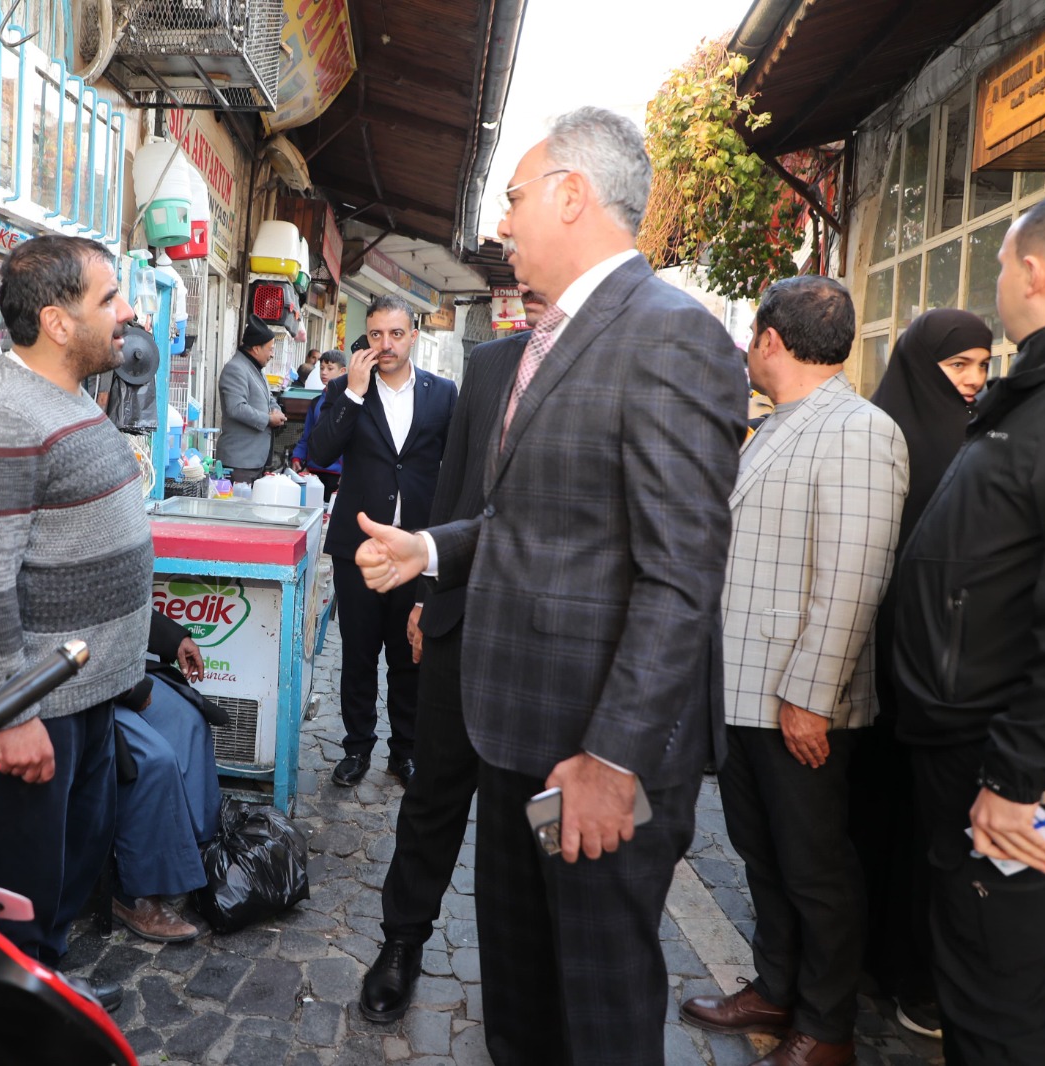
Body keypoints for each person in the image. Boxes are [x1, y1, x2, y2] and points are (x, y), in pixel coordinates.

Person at [351, 108, 746, 1066]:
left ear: (574, 195)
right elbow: (539, 522)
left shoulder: (669, 335)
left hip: (590, 763)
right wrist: (430, 552)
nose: (504, 223)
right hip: (519, 737)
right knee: (524, 1007)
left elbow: (680, 573)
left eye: (517, 198)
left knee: (596, 1014)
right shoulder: (558, 341)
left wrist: (614, 759)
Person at [679, 277, 908, 1066]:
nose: (748, 347)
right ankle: (775, 986)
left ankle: (827, 1027)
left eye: (752, 334)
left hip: (797, 704)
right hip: (745, 694)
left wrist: (809, 697)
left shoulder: (858, 429)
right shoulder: (781, 424)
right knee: (764, 857)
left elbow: (854, 578)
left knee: (816, 872)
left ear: (771, 339)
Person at [891, 185, 1045, 1066]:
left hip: (1004, 768)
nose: (994, 279)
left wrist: (1017, 775)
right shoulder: (1034, 391)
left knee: (996, 1002)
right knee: (974, 981)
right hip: (970, 745)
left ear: (1033, 273)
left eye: (999, 263)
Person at [0, 235, 148, 1009]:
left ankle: (48, 993)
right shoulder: (1, 414)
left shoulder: (65, 395)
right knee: (19, 882)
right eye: (109, 299)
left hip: (84, 689)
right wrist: (12, 712)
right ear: (58, 323)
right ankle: (9, 1018)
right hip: (35, 701)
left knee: (67, 862)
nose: (126, 313)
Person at [359, 284, 562, 1022]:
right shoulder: (489, 365)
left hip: (551, 648)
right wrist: (425, 596)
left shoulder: (616, 359)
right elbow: (454, 495)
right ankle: (401, 943)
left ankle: (539, 969)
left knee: (534, 817)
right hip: (462, 622)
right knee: (433, 797)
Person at [855, 308, 992, 1039]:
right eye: (958, 366)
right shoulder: (882, 437)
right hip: (872, 662)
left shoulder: (980, 444)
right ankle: (874, 961)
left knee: (920, 830)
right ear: (918, 364)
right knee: (873, 816)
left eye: (982, 365)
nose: (973, 380)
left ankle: (910, 968)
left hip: (936, 676)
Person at [306, 294, 457, 789]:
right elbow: (321, 452)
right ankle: (356, 749)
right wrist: (351, 393)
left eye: (396, 333)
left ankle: (405, 751)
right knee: (359, 654)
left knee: (408, 652)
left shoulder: (442, 394)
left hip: (416, 548)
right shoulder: (349, 388)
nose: (386, 344)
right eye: (376, 335)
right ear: (365, 338)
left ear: (414, 335)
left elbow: (453, 469)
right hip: (359, 548)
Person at [110, 610, 221, 943]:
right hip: (75, 685)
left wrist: (174, 638)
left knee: (189, 721)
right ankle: (136, 893)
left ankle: (196, 854)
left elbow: (121, 603)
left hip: (119, 671)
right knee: (153, 759)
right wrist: (126, 685)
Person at [217, 319, 286, 483]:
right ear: (256, 348)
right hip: (240, 460)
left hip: (256, 460)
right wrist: (269, 419)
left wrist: (277, 410)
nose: (272, 354)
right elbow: (236, 408)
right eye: (270, 349)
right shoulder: (235, 368)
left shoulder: (256, 368)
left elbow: (269, 399)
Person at [290, 349, 348, 499]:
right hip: (313, 472)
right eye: (322, 368)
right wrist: (297, 457)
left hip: (339, 474)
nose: (324, 372)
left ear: (343, 371)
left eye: (330, 369)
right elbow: (307, 435)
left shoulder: (349, 401)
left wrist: (349, 473)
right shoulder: (316, 402)